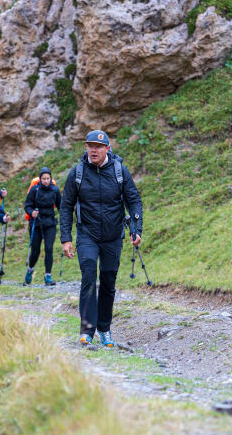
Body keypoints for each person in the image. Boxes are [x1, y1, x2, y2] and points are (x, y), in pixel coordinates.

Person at [60, 130, 143, 347]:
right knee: (88, 276)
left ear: (107, 148)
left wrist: (137, 229)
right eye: (90, 146)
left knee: (108, 282)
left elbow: (134, 201)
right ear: (86, 148)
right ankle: (87, 330)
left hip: (113, 236)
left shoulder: (119, 171)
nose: (93, 150)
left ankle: (104, 330)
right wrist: (66, 238)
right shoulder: (77, 173)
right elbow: (66, 206)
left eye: (98, 146)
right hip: (87, 234)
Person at [24, 167, 62, 286]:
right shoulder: (34, 190)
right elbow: (27, 205)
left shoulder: (55, 190)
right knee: (35, 251)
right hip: (36, 224)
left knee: (49, 249)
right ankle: (30, 269)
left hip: (50, 223)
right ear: (40, 179)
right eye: (43, 179)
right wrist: (31, 213)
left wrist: (66, 218)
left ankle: (48, 276)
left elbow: (61, 206)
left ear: (51, 178)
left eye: (48, 178)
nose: (46, 181)